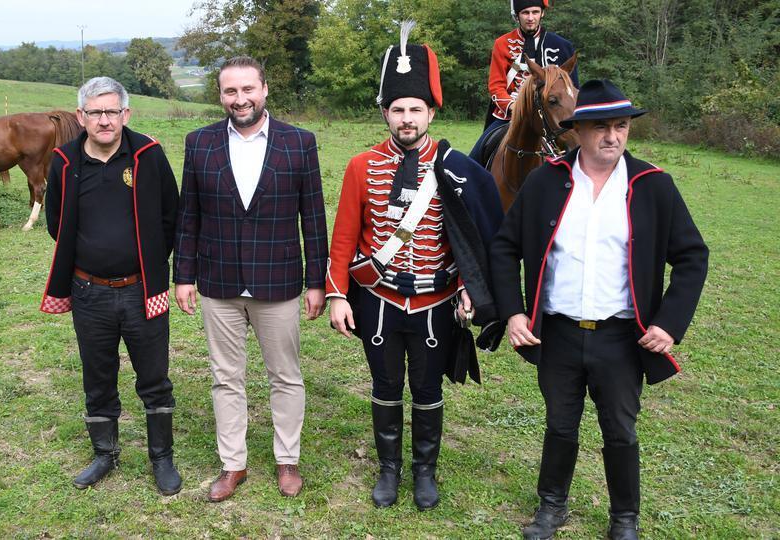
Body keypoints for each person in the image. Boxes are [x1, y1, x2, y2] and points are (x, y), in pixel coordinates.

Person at [490, 79, 709, 539]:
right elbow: (505, 247)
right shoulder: (545, 181)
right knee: (560, 424)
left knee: (620, 431)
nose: (613, 136)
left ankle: (624, 518)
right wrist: (513, 312)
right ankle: (552, 508)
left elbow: (692, 256)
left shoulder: (653, 186)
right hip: (558, 332)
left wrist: (669, 323)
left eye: (622, 126)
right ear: (579, 130)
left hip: (621, 336)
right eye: (602, 127)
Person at [327, 23, 504, 510]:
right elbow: (343, 237)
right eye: (398, 110)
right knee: (385, 388)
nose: (407, 119)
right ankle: (389, 470)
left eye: (415, 110)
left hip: (435, 300)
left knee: (427, 390)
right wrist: (339, 295)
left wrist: (474, 287)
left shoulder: (457, 169)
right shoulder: (361, 166)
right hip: (378, 300)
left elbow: (474, 236)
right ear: (386, 112)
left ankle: (425, 472)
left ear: (431, 111)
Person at [173, 56, 329, 502]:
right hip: (217, 281)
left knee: (286, 375)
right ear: (220, 95)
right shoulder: (199, 143)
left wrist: (316, 280)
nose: (240, 99)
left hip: (278, 281)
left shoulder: (299, 143)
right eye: (230, 91)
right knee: (226, 377)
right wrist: (183, 275)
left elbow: (313, 219)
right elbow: (189, 216)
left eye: (247, 89)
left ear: (265, 89)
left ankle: (287, 459)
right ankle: (232, 464)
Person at [40, 76, 181, 496]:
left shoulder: (147, 155)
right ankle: (105, 453)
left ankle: (162, 458)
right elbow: (55, 223)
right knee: (97, 375)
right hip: (89, 292)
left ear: (126, 114)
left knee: (154, 376)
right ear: (81, 117)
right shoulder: (64, 161)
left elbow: (171, 215)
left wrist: (152, 264)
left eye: (112, 111)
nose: (105, 120)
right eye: (95, 113)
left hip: (143, 289)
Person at [469, 0, 579, 163]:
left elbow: (573, 88)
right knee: (475, 159)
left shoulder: (562, 46)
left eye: (535, 12)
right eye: (525, 13)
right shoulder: (502, 44)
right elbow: (496, 86)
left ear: (542, 13)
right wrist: (514, 107)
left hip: (552, 114)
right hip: (509, 114)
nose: (530, 17)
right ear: (517, 16)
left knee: (579, 151)